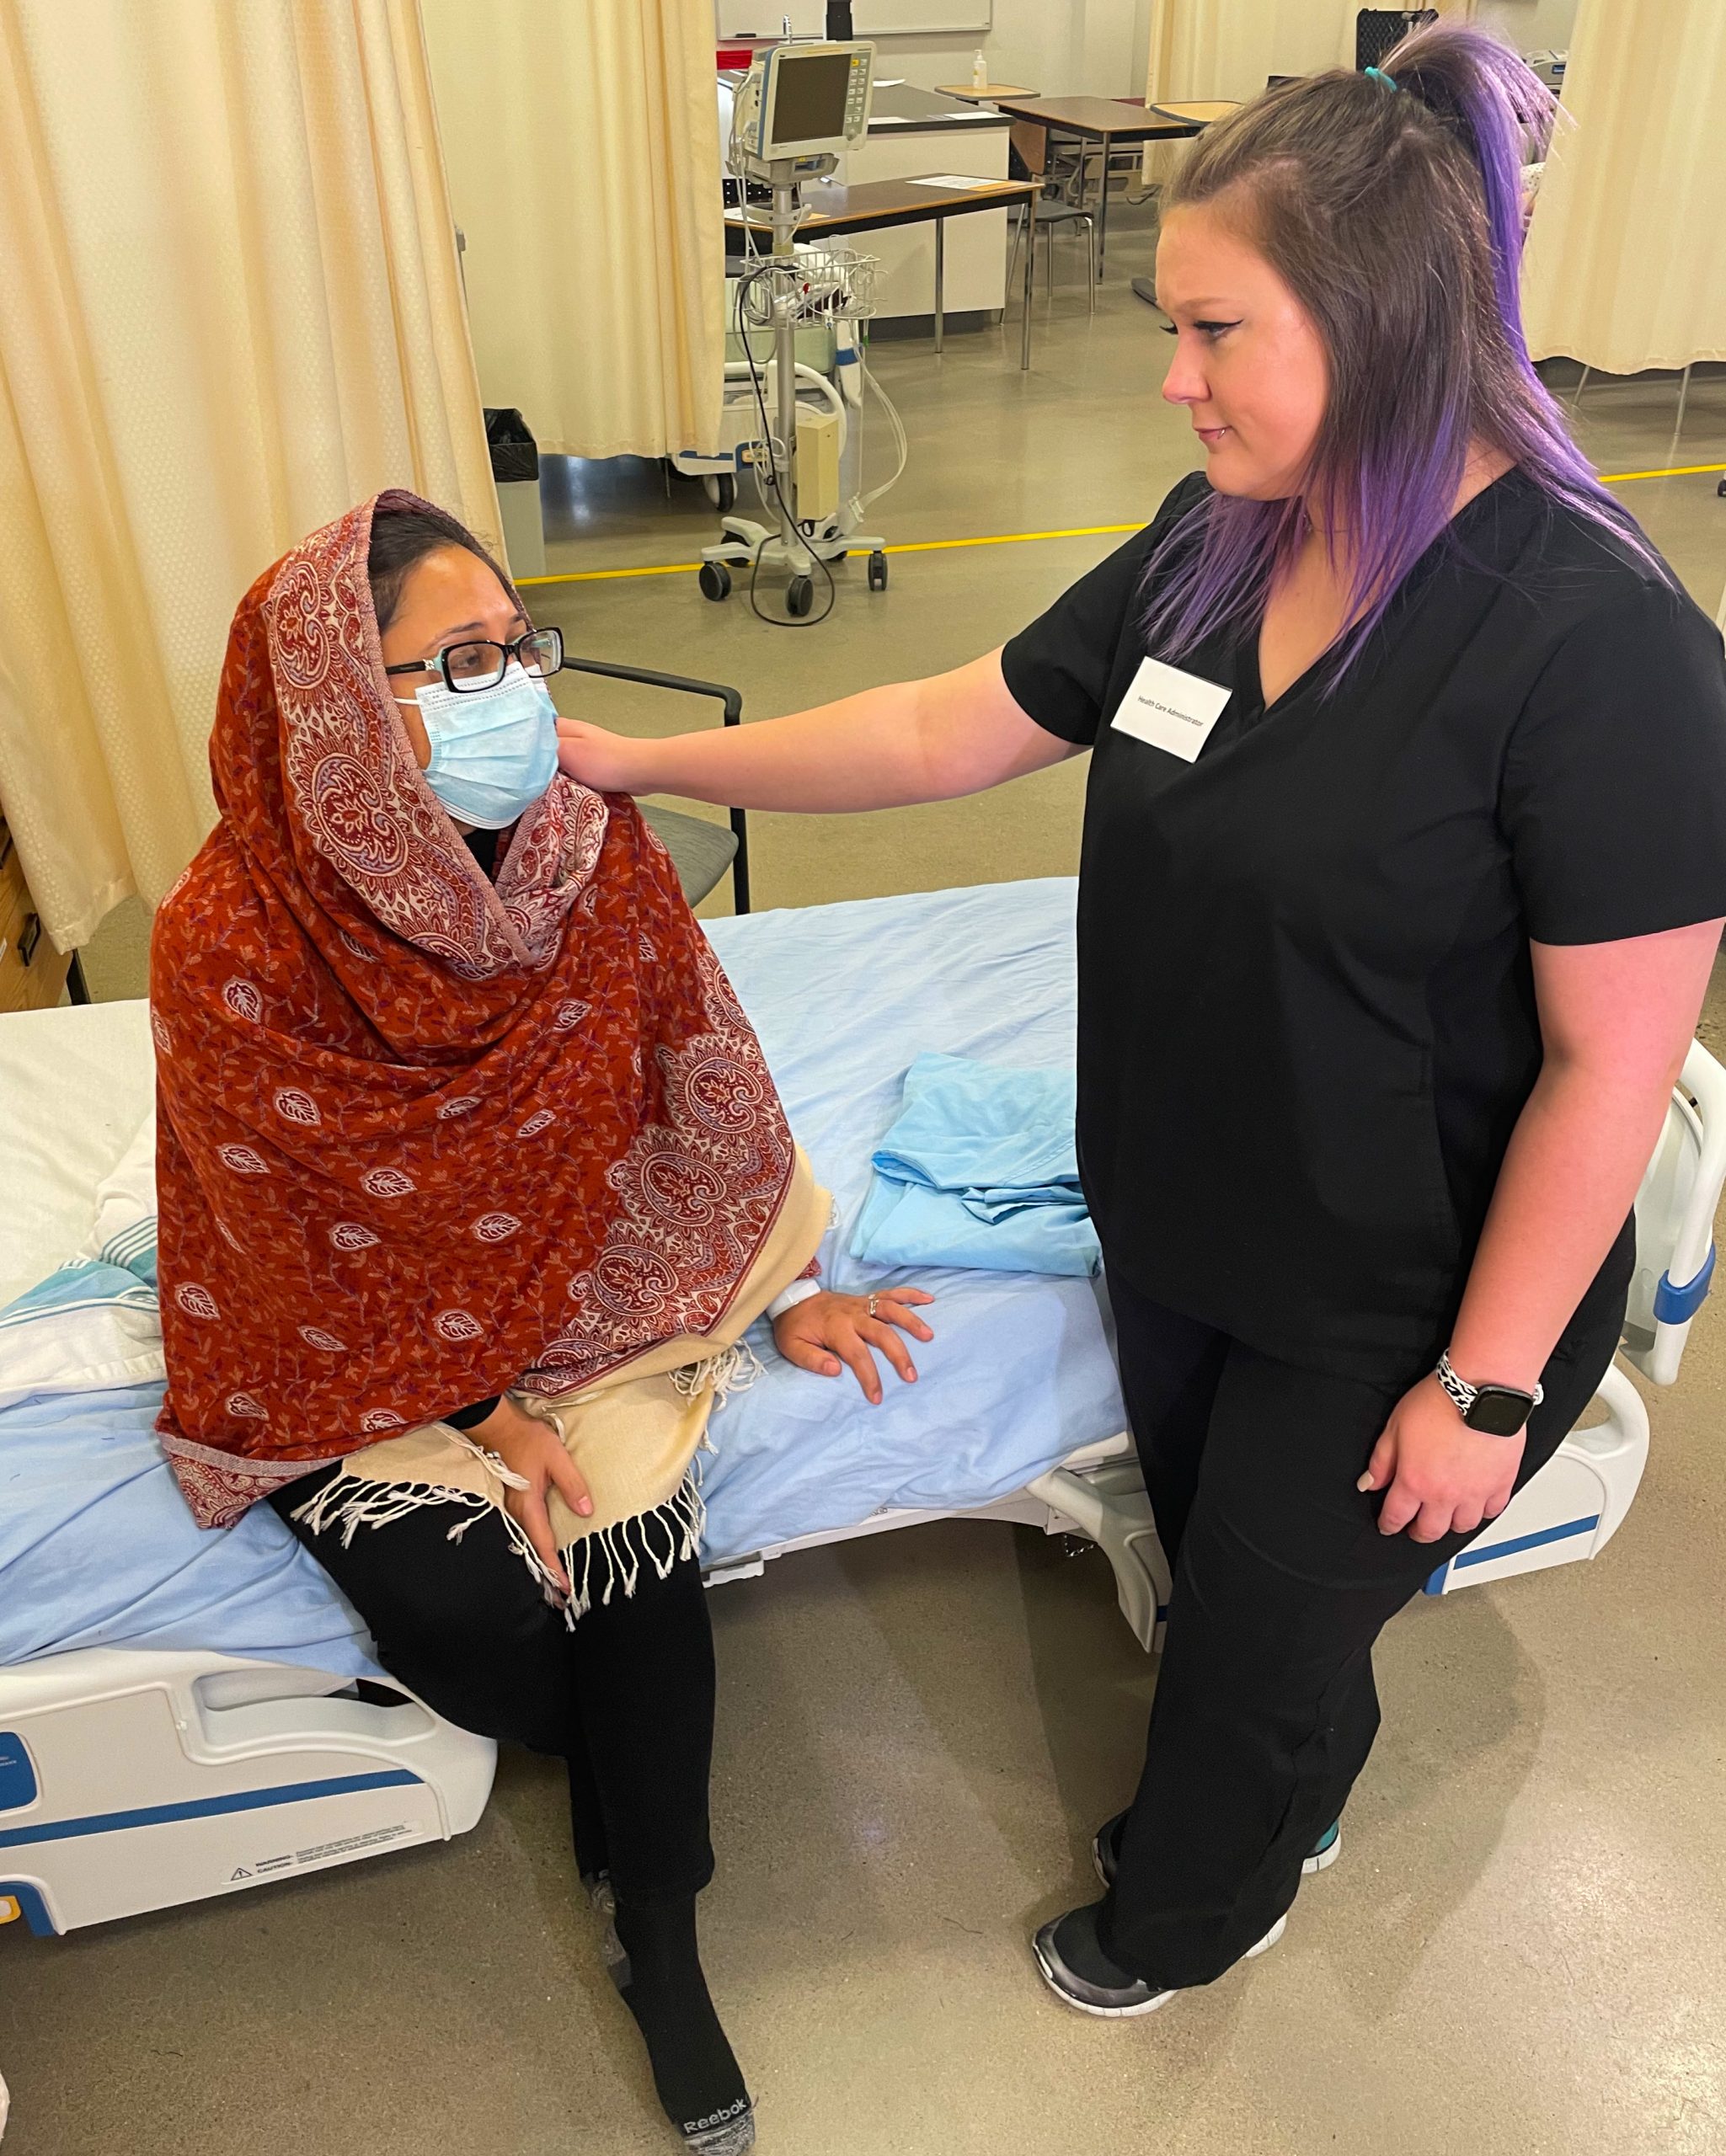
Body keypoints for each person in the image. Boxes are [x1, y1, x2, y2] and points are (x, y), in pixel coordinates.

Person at [552, 24, 1726, 2019]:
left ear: (1376, 324)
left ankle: (1189, 1908)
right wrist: (646, 765)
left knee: (1251, 1639)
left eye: (1210, 330)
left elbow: (1615, 1062)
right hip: (1176, 1209)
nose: (1166, 379)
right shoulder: (1216, 542)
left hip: (1397, 1290)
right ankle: (1297, 1775)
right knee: (1224, 1575)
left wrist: (1490, 1386)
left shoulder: (1599, 648)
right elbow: (953, 721)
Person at [149, 491, 933, 2151]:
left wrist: (773, 1275)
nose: (511, 691)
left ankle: (657, 1918)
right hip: (342, 1334)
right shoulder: (227, 940)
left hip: (583, 1270)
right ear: (336, 705)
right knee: (467, 1611)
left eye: (516, 645)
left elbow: (691, 1053)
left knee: (632, 1547)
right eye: (456, 662)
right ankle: (630, 1779)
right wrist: (486, 1402)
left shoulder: (581, 840)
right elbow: (283, 1239)